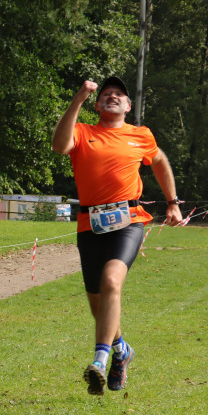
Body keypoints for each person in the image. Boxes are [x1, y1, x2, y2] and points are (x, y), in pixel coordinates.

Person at [52, 76, 182, 395]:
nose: (112, 96)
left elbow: (161, 161)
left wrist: (173, 203)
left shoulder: (141, 135)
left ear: (128, 105)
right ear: (97, 105)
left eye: (118, 95)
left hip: (130, 220)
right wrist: (78, 98)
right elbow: (59, 145)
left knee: (112, 282)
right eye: (106, 94)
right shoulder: (83, 131)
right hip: (90, 225)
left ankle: (100, 359)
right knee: (98, 304)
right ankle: (123, 350)